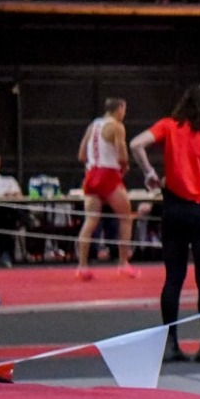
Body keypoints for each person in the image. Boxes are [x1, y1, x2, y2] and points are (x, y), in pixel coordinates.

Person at [129, 84, 200, 364]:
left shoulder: (169, 126)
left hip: (174, 208)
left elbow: (136, 144)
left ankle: (171, 343)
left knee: (173, 278)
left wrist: (150, 173)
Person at [75, 97, 136, 280]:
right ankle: (124, 263)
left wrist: (93, 163)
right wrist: (124, 168)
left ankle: (82, 266)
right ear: (120, 109)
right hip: (108, 174)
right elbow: (122, 153)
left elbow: (81, 155)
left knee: (90, 221)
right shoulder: (117, 126)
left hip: (92, 174)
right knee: (125, 218)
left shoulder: (93, 125)